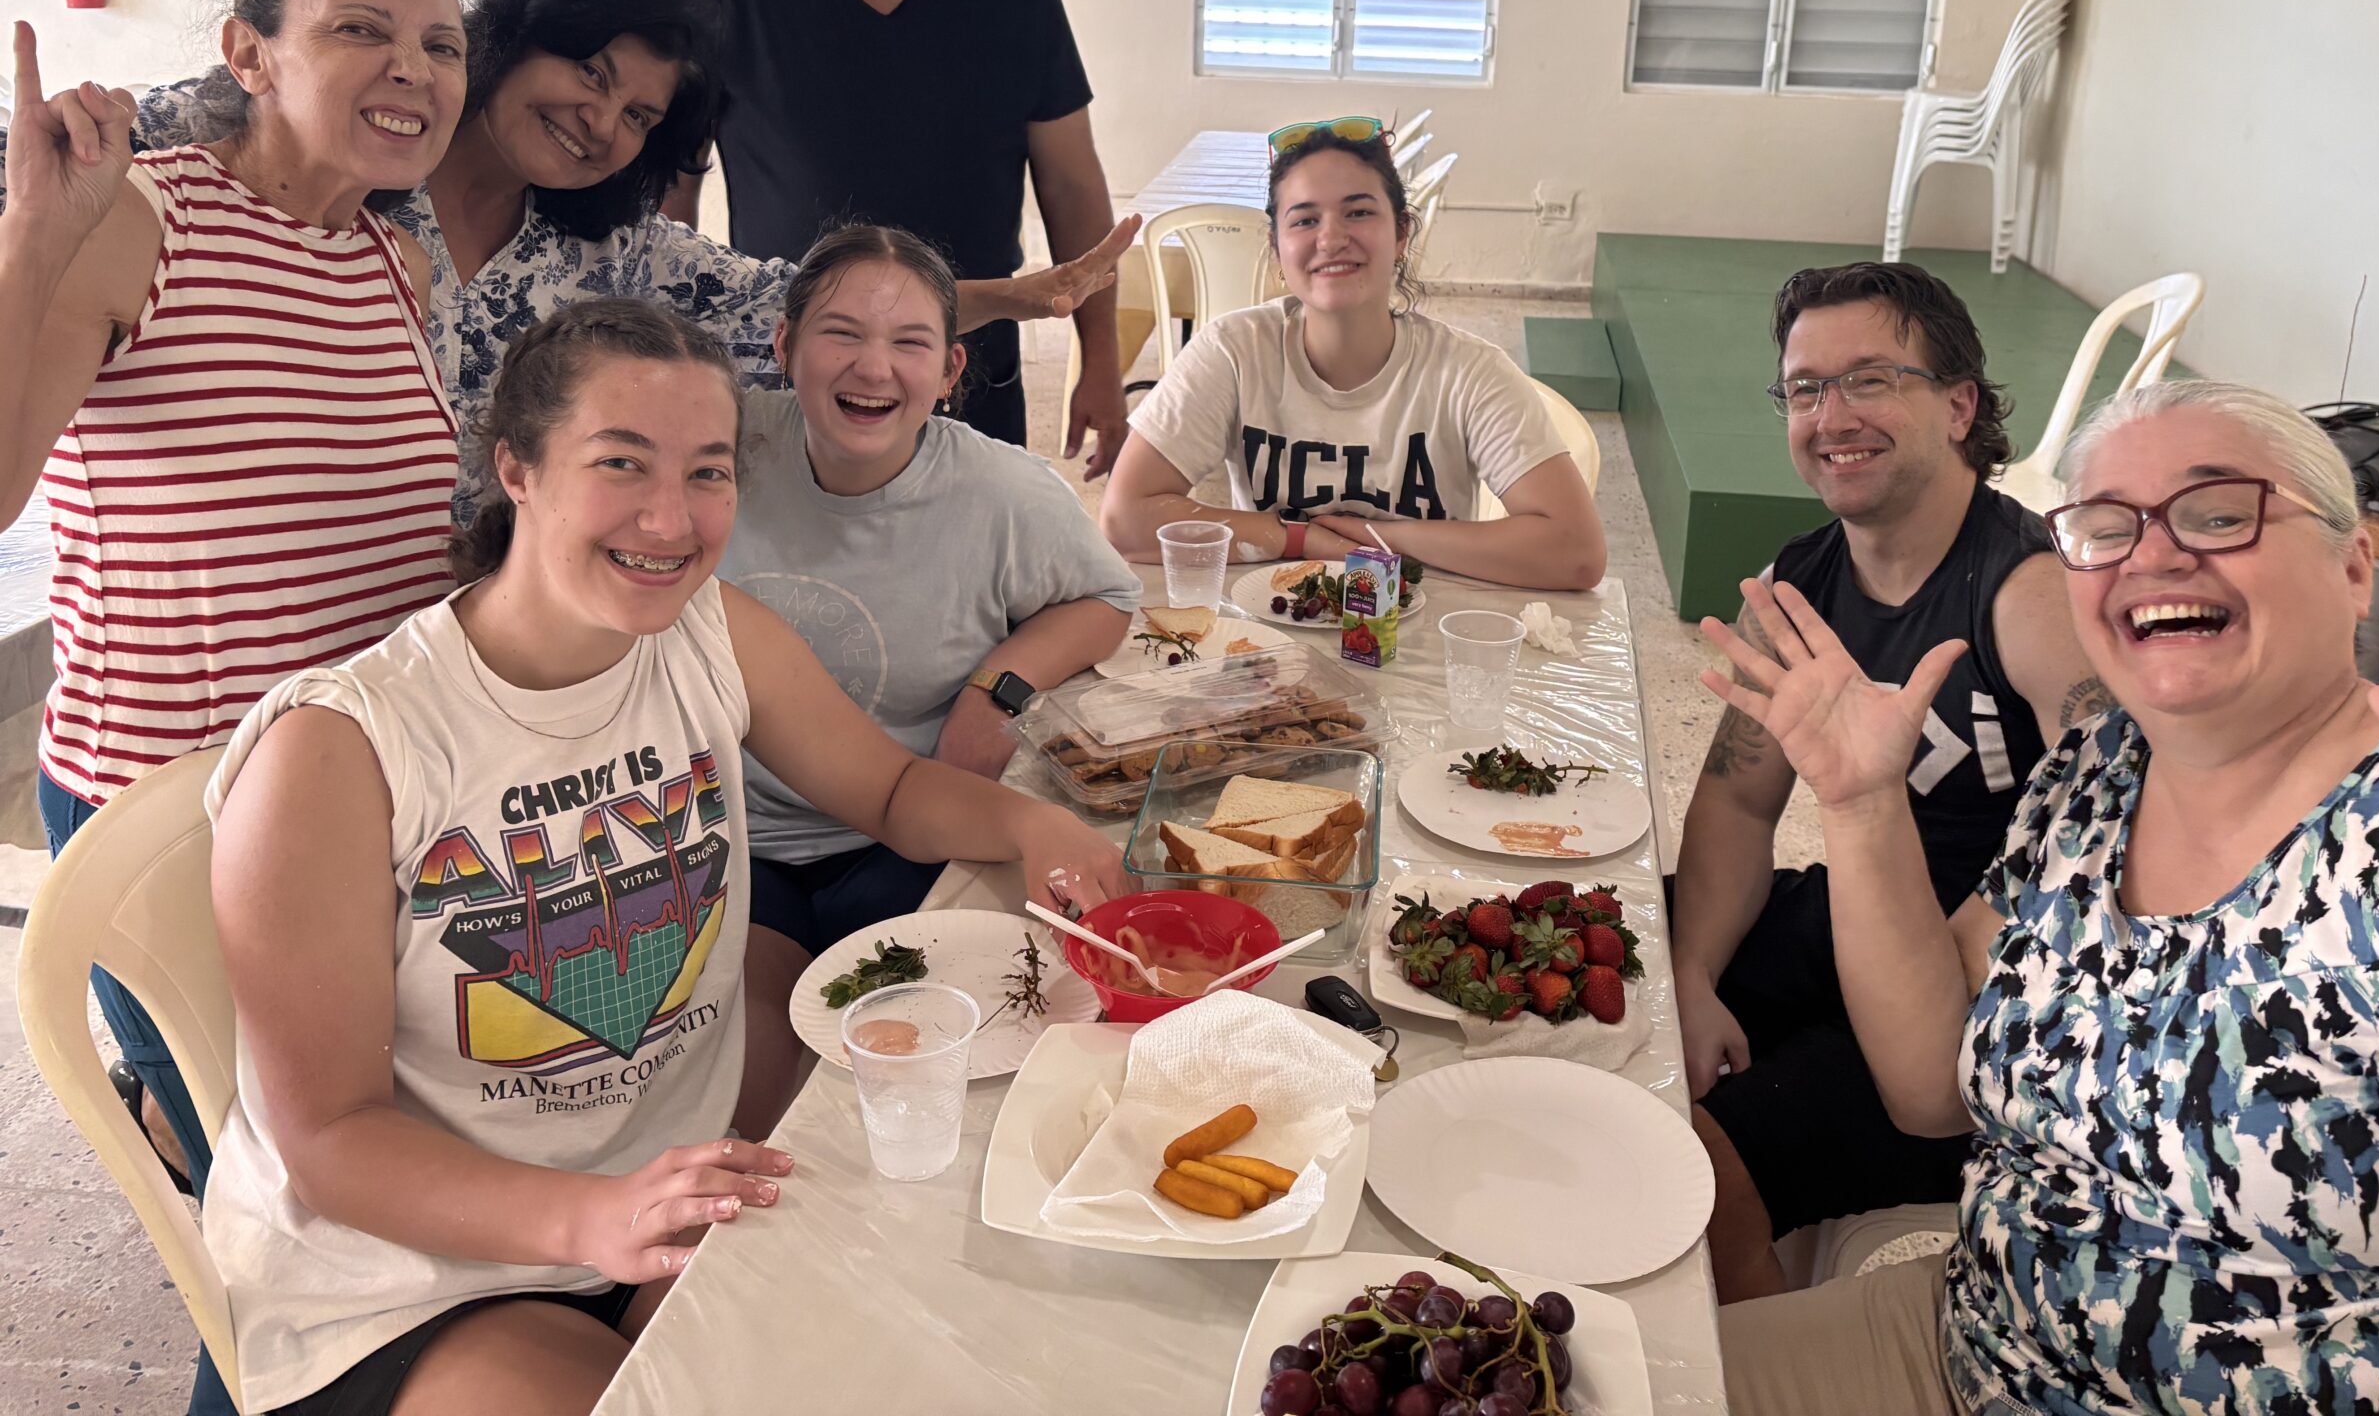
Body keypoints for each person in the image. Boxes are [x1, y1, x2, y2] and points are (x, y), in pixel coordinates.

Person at [203, 298, 1130, 1416]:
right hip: (420, 1276)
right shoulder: (341, 749)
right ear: (519, 469)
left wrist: (1032, 824)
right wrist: (594, 1216)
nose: (671, 517)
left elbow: (886, 788)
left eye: (709, 471)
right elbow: (331, 1141)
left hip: (668, 1193)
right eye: (621, 462)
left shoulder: (710, 633)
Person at [1712, 379, 2379, 1416]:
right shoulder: (2096, 772)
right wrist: (1857, 804)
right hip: (1975, 1348)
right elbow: (1928, 1090)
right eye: (2104, 528)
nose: (2151, 556)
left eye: (2216, 513)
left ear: (2351, 572)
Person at [4, 0, 472, 1416]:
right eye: (361, 29)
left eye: (440, 44)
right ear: (248, 52)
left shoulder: (389, 266)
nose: (413, 68)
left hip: (361, 819)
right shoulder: (142, 214)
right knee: (294, 1239)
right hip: (181, 827)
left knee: (394, 1200)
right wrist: (28, 243)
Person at [42, 0, 1134, 515]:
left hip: (460, 620)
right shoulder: (355, 163)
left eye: (639, 118)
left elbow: (787, 301)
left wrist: (1015, 295)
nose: (597, 121)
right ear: (515, 37)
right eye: (589, 72)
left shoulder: (603, 249)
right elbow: (124, 147)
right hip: (231, 623)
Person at [1670, 262, 2106, 1301]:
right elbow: (1736, 802)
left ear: (1958, 405)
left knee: (1703, 1167)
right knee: (1618, 984)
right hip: (1859, 915)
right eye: (1807, 388)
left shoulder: (2028, 594)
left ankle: (1748, 1360)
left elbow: (2114, 815)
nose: (1831, 415)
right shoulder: (1801, 581)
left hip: (1978, 992)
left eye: (1869, 380)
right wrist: (1685, 980)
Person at [722, 222, 1141, 1134]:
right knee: (756, 1107)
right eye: (841, 333)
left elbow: (1108, 596)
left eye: (910, 343)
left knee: (956, 1076)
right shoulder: (724, 451)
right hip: (738, 846)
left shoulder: (1004, 491)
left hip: (916, 831)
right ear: (784, 345)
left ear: (951, 372)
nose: (875, 369)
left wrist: (999, 686)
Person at [668, 0, 1127, 471]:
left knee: (970, 570)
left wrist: (1099, 359)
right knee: (785, 573)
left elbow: (1073, 183)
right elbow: (671, 183)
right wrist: (676, 347)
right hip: (787, 360)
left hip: (968, 365)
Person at [1100, 117, 1607, 592]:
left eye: (1359, 212)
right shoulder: (1233, 352)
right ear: (1276, 250)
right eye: (1304, 220)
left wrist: (1372, 538)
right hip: (1274, 629)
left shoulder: (1469, 373)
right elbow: (1125, 520)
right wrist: (1303, 539)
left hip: (1419, 632)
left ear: (1402, 234)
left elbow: (1576, 552)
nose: (1332, 238)